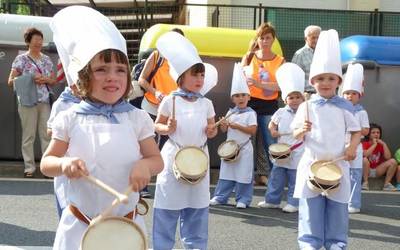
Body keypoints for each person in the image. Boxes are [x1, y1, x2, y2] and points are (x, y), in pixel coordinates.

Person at [40, 6, 163, 250]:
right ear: (83, 76)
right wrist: (64, 164)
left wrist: (144, 166)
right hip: (79, 223)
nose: (112, 77)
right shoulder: (70, 117)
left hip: (126, 225)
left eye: (120, 70)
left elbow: (156, 160)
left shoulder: (137, 118)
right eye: (101, 69)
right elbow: (47, 163)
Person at [291, 29, 361, 249]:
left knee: (337, 212)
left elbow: (357, 131)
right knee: (310, 212)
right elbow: (295, 134)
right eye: (320, 79)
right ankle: (310, 245)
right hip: (312, 164)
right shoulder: (306, 106)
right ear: (313, 81)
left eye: (331, 78)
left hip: (338, 165)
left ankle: (336, 244)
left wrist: (352, 147)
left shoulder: (345, 107)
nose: (326, 83)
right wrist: (301, 130)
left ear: (338, 81)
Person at [152, 31, 218, 250]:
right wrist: (166, 127)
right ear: (181, 77)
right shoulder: (170, 100)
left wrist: (211, 131)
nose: (200, 80)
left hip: (200, 158)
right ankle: (162, 246)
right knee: (168, 206)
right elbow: (157, 126)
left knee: (197, 207)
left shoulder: (206, 103)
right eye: (195, 75)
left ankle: (196, 246)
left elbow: (211, 131)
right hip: (173, 158)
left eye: (201, 75)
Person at [7, 27, 56, 178]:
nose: (38, 43)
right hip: (27, 102)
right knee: (28, 136)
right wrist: (30, 79)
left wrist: (46, 79)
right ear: (28, 42)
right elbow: (10, 81)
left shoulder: (47, 59)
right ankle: (29, 168)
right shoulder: (21, 59)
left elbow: (54, 80)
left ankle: (47, 168)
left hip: (44, 101)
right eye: (35, 41)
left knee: (46, 135)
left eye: (40, 41)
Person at [257, 63, 305, 213]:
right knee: (276, 176)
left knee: (294, 178)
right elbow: (272, 123)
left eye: (298, 97)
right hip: (281, 148)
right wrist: (273, 131)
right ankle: (272, 200)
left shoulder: (306, 111)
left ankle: (294, 202)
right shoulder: (280, 112)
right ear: (285, 99)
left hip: (298, 150)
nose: (295, 100)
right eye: (291, 97)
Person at [241, 22, 284, 186]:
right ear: (257, 39)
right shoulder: (249, 57)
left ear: (273, 40)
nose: (264, 41)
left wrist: (260, 85)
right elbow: (240, 80)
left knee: (270, 144)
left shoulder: (280, 61)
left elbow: (281, 85)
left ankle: (275, 180)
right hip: (249, 104)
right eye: (262, 38)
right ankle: (246, 177)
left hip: (269, 105)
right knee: (247, 142)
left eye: (268, 38)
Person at [210, 63, 257, 209]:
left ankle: (243, 199)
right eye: (237, 96)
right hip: (230, 148)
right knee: (226, 173)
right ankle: (220, 196)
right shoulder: (231, 112)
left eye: (243, 95)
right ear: (233, 98)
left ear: (248, 97)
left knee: (244, 174)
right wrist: (223, 124)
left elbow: (252, 131)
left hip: (243, 149)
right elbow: (224, 131)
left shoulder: (250, 113)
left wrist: (236, 126)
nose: (240, 98)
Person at [341, 63, 370, 213]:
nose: (350, 96)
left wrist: (355, 130)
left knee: (354, 175)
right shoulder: (339, 110)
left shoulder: (361, 113)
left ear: (359, 95)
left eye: (353, 93)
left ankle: (354, 203)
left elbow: (366, 130)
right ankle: (341, 200)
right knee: (341, 174)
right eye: (347, 93)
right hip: (340, 147)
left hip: (356, 149)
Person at [362, 123, 400, 191]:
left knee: (393, 161)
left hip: (377, 170)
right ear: (368, 134)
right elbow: (365, 154)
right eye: (373, 132)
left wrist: (384, 144)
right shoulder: (364, 144)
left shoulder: (381, 145)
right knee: (364, 159)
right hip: (366, 170)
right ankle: (365, 183)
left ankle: (386, 184)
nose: (376, 134)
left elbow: (388, 157)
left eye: (378, 132)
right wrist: (374, 145)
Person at [292, 25, 321, 97]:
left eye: (318, 37)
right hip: (307, 95)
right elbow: (294, 76)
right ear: (306, 38)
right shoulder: (299, 54)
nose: (316, 40)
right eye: (313, 37)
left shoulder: (325, 53)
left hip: (323, 95)